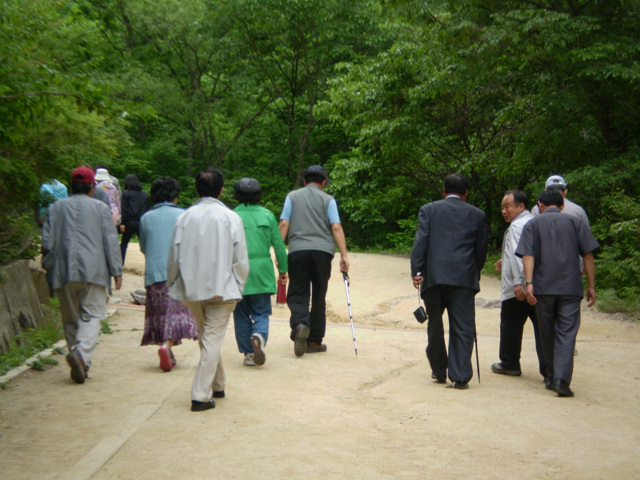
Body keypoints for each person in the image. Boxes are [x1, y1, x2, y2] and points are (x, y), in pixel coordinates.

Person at [167, 168, 249, 412]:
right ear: (222, 190)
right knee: (210, 339)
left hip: (191, 289)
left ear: (196, 190)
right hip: (223, 289)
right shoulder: (231, 218)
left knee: (207, 337)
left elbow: (174, 255)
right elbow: (240, 258)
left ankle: (219, 384)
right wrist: (239, 284)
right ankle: (200, 396)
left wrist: (172, 282)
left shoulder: (184, 217)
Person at [41, 166, 123, 384]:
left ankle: (80, 363)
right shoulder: (100, 208)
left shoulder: (55, 208)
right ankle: (81, 355)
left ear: (71, 186)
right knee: (93, 315)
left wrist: (50, 270)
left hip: (63, 271)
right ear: (91, 187)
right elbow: (110, 241)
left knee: (71, 320)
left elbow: (47, 244)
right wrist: (116, 270)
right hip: (94, 271)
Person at [516, 190, 599, 398]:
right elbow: (588, 256)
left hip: (543, 288)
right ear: (562, 206)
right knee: (567, 333)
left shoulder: (532, 224)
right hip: (570, 288)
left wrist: (529, 284)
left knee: (547, 332)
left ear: (539, 205)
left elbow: (528, 255)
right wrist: (591, 285)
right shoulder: (574, 222)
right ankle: (562, 379)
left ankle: (552, 377)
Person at [410, 173, 488, 389]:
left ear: (443, 191)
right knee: (463, 326)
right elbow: (481, 250)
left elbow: (421, 241)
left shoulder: (429, 210)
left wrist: (417, 270)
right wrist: (474, 271)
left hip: (434, 276)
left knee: (435, 323)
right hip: (463, 278)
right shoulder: (477, 214)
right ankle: (461, 375)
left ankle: (438, 369)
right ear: (466, 194)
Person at [278, 165, 349, 357]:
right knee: (319, 295)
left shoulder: (292, 197)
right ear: (324, 182)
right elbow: (335, 227)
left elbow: (284, 223)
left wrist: (279, 252)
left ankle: (300, 323)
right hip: (322, 253)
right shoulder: (328, 200)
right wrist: (343, 255)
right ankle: (315, 341)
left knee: (298, 291)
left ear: (304, 181)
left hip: (298, 251)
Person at [139, 176, 199, 372]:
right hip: (178, 274)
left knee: (160, 316)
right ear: (175, 196)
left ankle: (168, 352)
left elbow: (143, 246)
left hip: (154, 273)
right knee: (178, 316)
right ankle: (167, 347)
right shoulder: (184, 215)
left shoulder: (146, 218)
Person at [232, 178, 288, 367]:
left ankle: (249, 354)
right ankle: (259, 336)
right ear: (258, 195)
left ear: (236, 195)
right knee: (261, 312)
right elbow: (279, 246)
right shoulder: (267, 215)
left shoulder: (231, 216)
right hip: (262, 271)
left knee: (240, 313)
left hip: (237, 271)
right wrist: (283, 270)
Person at [491, 190, 545, 378]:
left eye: (508, 206)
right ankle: (549, 370)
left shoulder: (516, 226)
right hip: (538, 286)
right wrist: (502, 260)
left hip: (519, 289)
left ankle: (509, 363)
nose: (504, 211)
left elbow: (518, 255)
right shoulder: (536, 222)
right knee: (542, 329)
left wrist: (518, 282)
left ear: (521, 206)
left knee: (510, 326)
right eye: (502, 207)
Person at [119, 174, 149, 264]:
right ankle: (149, 264)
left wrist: (122, 222)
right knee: (145, 246)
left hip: (129, 222)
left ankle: (120, 264)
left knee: (124, 244)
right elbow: (146, 209)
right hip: (141, 222)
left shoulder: (126, 194)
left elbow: (124, 209)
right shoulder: (144, 195)